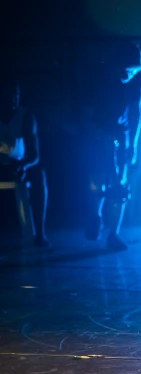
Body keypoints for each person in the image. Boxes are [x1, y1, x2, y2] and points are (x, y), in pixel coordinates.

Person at [84, 42, 141, 251]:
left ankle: (113, 234)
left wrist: (133, 144)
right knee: (98, 177)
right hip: (97, 130)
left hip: (121, 133)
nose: (129, 73)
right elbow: (86, 110)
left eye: (133, 69)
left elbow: (136, 111)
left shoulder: (136, 80)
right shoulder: (100, 78)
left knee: (120, 183)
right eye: (127, 68)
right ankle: (95, 216)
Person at [0, 73, 48, 247]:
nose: (13, 100)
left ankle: (40, 233)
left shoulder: (26, 116)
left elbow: (35, 154)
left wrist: (24, 165)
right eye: (7, 96)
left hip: (19, 164)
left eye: (16, 95)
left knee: (39, 175)